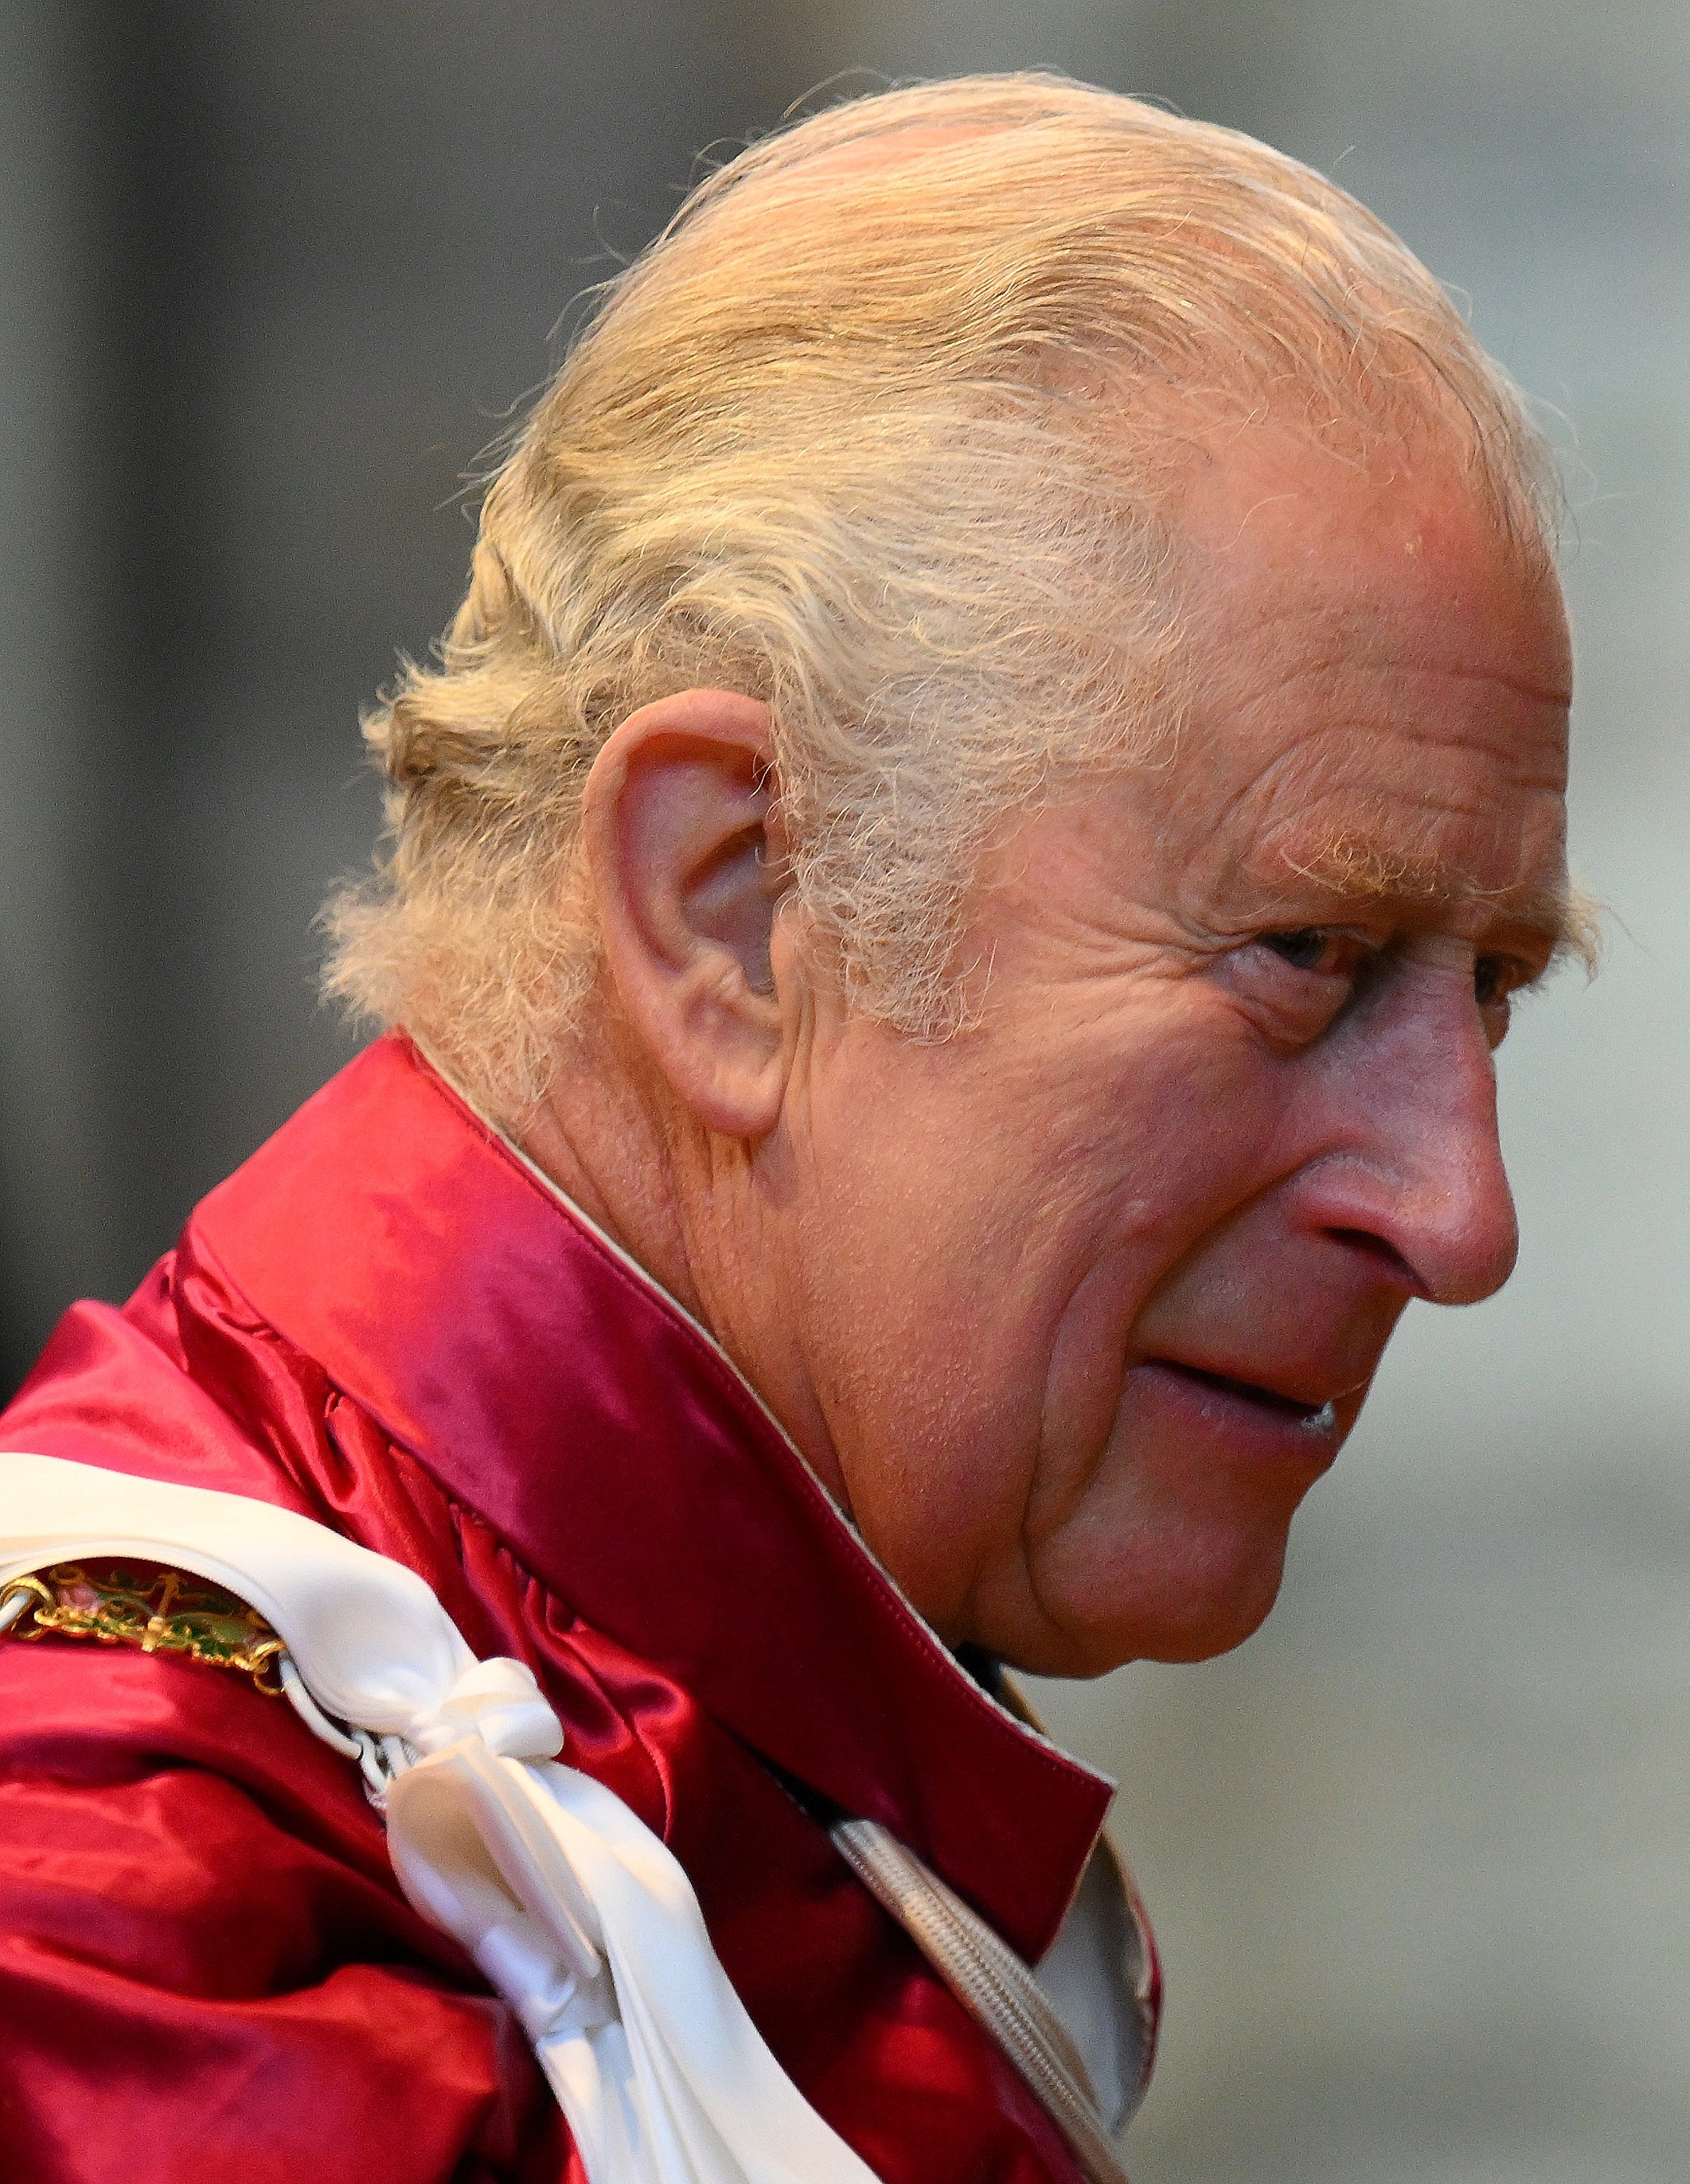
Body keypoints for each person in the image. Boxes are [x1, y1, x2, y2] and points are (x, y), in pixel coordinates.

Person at [0, 71, 1578, 2184]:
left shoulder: (739, 1762)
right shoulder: (126, 1901)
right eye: (1307, 949)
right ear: (737, 912)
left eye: (1491, 987)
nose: (1463, 1216)